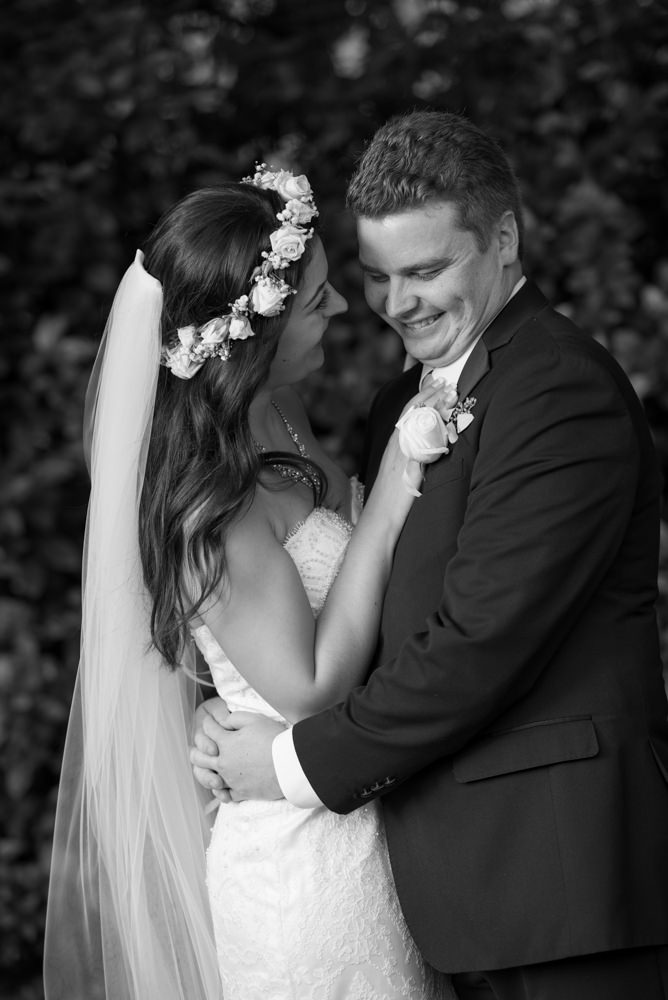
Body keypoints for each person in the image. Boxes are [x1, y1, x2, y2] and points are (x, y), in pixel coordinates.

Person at [191, 111, 668, 1000]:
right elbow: (345, 611)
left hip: (561, 883)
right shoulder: (393, 407)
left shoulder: (558, 390)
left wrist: (288, 764)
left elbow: (477, 644)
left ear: (504, 241)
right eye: (376, 276)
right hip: (440, 888)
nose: (397, 303)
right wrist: (215, 715)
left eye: (426, 270)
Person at [43, 166, 456, 999]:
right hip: (296, 867)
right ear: (252, 334)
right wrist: (395, 484)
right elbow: (305, 689)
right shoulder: (212, 507)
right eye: (315, 301)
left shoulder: (282, 421)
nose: (343, 308)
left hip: (356, 819)